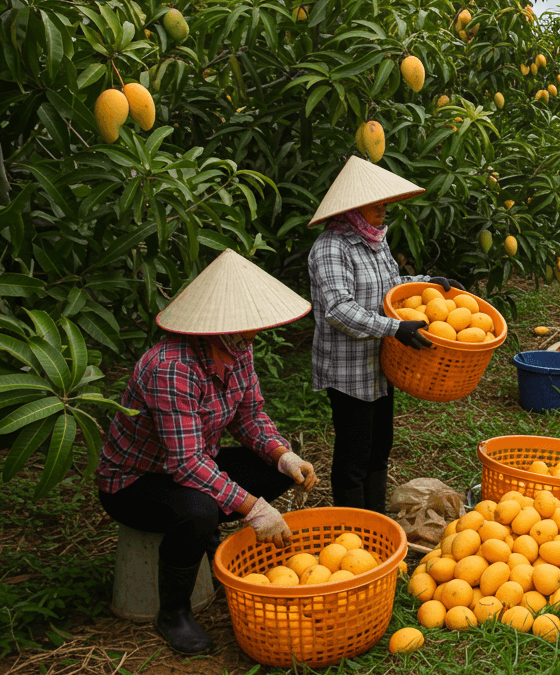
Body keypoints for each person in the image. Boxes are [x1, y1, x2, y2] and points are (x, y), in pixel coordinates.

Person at [97, 249, 319, 655]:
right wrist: (253, 508)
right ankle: (174, 613)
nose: (250, 336)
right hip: (135, 482)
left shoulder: (237, 349)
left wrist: (283, 455)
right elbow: (184, 463)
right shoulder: (171, 366)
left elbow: (249, 417)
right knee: (197, 508)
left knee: (275, 472)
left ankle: (208, 539)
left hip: (195, 463)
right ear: (215, 328)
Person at [307, 155, 462, 514]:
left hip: (380, 364)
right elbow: (338, 310)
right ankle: (352, 529)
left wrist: (426, 282)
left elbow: (390, 287)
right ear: (354, 210)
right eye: (376, 207)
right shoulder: (332, 247)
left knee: (380, 447)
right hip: (348, 371)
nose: (383, 213)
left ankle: (376, 520)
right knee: (354, 452)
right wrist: (395, 328)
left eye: (384, 206)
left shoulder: (375, 241)